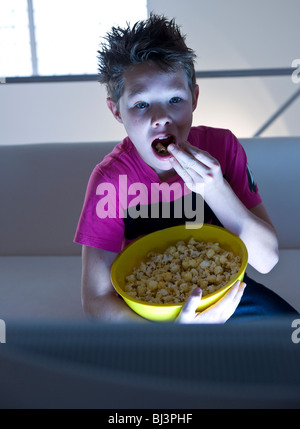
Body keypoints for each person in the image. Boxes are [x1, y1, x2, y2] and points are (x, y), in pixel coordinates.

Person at [74, 14, 297, 323]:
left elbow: (267, 259)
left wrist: (214, 188)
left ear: (194, 98)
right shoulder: (110, 181)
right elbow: (96, 300)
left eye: (175, 99)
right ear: (116, 110)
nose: (160, 117)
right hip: (148, 314)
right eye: (141, 104)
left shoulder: (222, 148)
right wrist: (171, 337)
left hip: (225, 296)